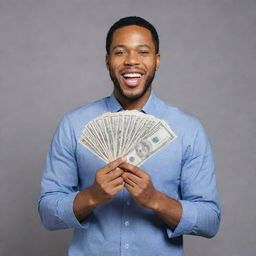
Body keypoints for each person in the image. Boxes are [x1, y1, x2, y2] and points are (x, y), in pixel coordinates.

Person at [38, 16, 221, 256]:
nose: (131, 61)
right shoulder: (74, 125)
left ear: (157, 61)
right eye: (120, 52)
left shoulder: (188, 130)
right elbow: (48, 214)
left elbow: (210, 221)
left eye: (143, 52)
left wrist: (154, 199)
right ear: (107, 61)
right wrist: (92, 196)